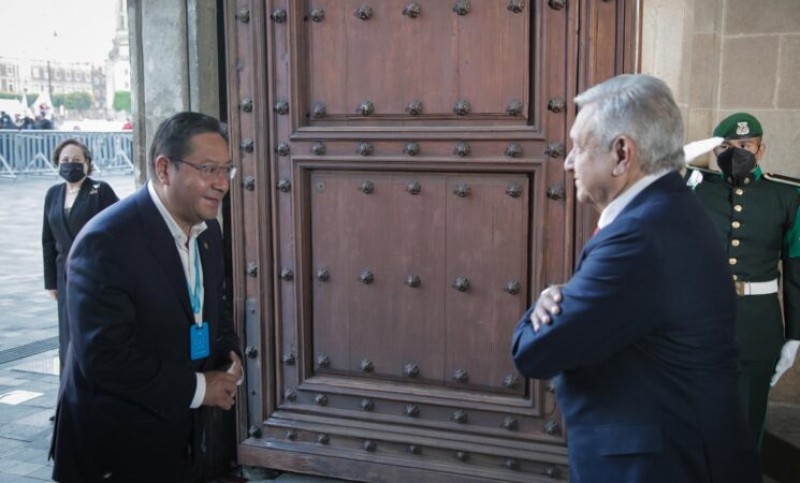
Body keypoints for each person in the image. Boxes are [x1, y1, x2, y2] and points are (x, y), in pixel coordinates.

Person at [511, 74, 762, 482]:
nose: (569, 161)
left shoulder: (639, 236)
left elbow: (536, 351)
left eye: (579, 146)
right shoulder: (667, 209)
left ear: (622, 153)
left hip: (662, 467)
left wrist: (544, 302)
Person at [50, 112, 243, 482]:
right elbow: (105, 357)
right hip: (116, 445)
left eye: (227, 170)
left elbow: (213, 307)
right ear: (164, 169)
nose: (221, 184)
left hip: (179, 435)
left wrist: (227, 356)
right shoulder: (107, 241)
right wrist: (201, 388)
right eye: (208, 169)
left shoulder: (208, 230)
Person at [685, 112, 800, 447]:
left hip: (758, 325)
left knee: (747, 427)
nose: (736, 152)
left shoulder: (786, 196)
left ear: (760, 151)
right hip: (699, 323)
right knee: (695, 422)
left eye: (745, 145)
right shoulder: (693, 189)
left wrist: (795, 335)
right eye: (726, 146)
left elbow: (796, 269)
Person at [42, 139, 119, 371]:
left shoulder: (100, 191)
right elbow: (47, 239)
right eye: (65, 160)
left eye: (76, 160)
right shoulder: (53, 194)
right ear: (57, 162)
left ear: (87, 163)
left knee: (91, 329)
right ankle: (68, 389)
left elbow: (117, 231)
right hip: (63, 275)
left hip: (93, 274)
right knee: (67, 334)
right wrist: (50, 282)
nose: (70, 165)